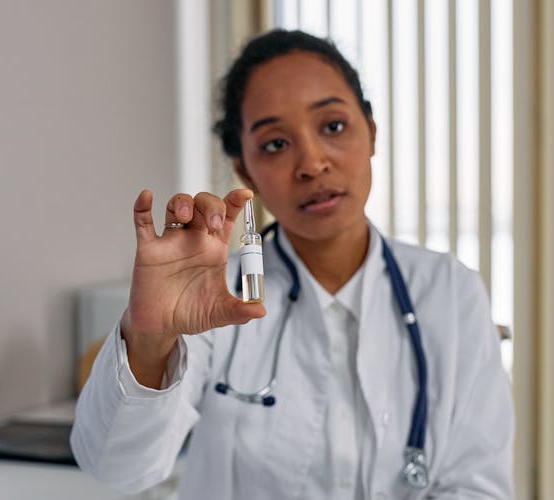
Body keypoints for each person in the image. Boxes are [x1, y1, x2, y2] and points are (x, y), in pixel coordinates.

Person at [70, 29, 514, 499]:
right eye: (276, 144)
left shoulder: (448, 290)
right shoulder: (215, 297)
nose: (312, 163)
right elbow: (115, 468)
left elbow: (477, 485)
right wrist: (150, 338)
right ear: (245, 171)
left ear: (372, 132)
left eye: (333, 126)